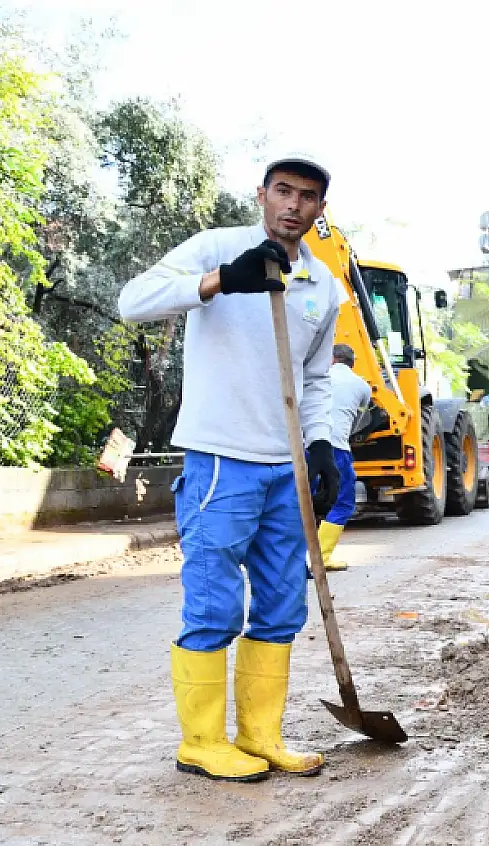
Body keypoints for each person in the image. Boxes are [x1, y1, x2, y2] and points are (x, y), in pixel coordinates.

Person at [119, 153, 342, 782]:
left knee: (280, 605)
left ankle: (260, 734)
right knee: (215, 604)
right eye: (283, 192)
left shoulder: (321, 285)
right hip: (221, 459)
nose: (293, 205)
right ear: (262, 195)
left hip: (284, 467)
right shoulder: (218, 247)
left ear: (321, 210)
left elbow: (317, 378)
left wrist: (321, 446)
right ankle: (201, 741)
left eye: (307, 197)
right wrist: (218, 280)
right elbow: (132, 301)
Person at [317, 344, 372, 571]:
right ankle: (322, 557)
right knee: (343, 501)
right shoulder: (362, 386)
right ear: (352, 363)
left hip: (306, 445)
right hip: (337, 449)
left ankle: (292, 560)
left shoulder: (315, 377)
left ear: (331, 359)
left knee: (300, 502)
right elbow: (359, 422)